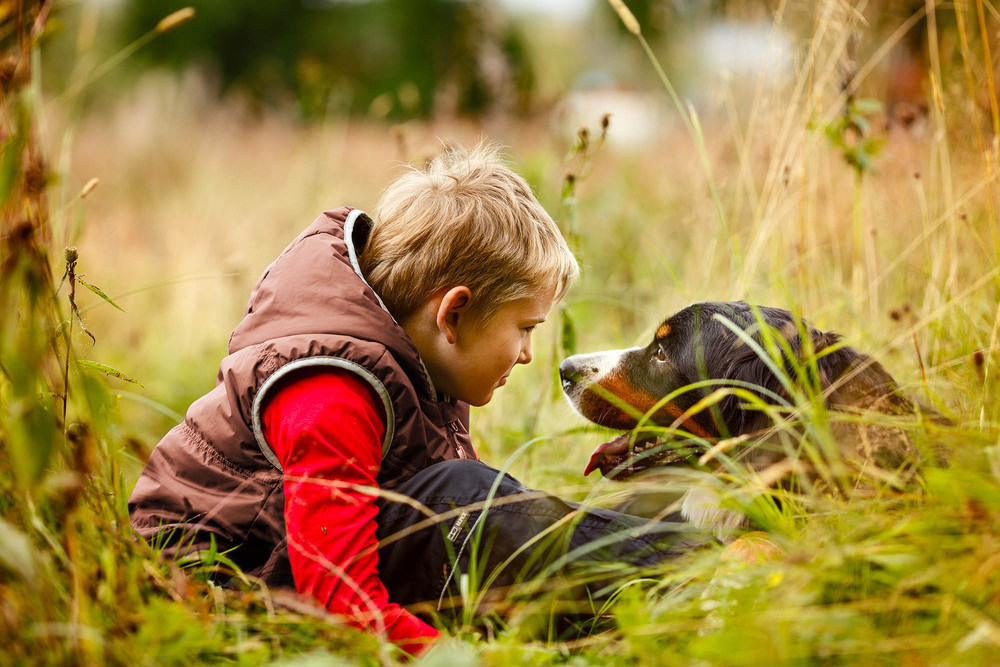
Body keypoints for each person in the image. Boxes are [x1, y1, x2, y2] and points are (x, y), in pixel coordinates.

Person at [128, 143, 696, 657]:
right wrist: (464, 659)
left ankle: (669, 576)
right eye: (524, 328)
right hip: (222, 595)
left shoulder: (419, 365)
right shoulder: (331, 395)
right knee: (466, 503)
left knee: (479, 508)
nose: (527, 353)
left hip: (288, 569)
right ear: (452, 314)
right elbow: (340, 604)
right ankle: (688, 579)